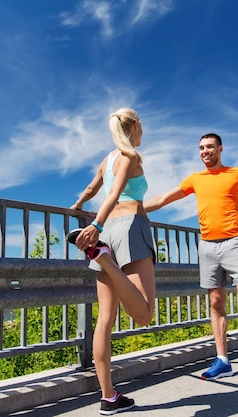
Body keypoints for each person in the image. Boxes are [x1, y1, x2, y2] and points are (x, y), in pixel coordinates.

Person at [144, 132, 238, 381]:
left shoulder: (237, 174)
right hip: (207, 246)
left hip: (234, 242)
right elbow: (163, 199)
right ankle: (222, 360)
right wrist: (124, 208)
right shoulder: (195, 179)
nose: (205, 151)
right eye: (201, 148)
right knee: (216, 303)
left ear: (220, 149)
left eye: (210, 147)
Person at [68, 107, 156, 415]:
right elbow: (114, 193)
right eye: (142, 125)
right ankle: (106, 260)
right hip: (129, 227)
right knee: (143, 315)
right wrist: (96, 226)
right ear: (134, 126)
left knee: (104, 320)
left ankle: (109, 396)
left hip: (107, 234)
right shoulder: (129, 156)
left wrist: (78, 205)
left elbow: (94, 189)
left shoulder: (107, 159)